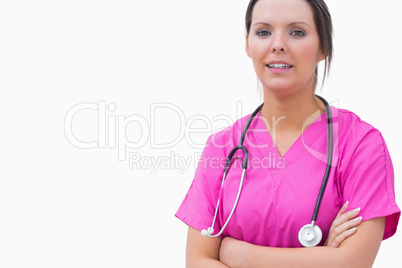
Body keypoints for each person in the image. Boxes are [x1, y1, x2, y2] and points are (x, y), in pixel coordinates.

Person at [175, 0, 400, 267]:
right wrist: (320, 256)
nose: (278, 44)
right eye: (263, 32)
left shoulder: (360, 144)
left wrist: (236, 254)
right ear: (247, 45)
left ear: (323, 48)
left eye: (297, 32)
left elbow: (352, 263)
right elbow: (197, 261)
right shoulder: (223, 147)